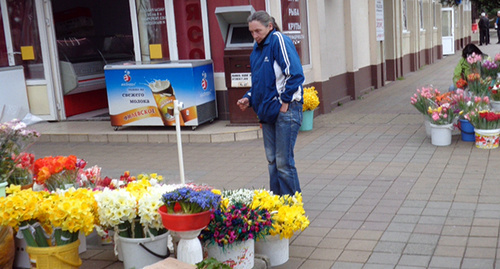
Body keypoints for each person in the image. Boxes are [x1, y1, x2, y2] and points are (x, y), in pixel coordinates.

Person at [237, 10, 304, 196]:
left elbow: (295, 74)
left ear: (270, 26)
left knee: (283, 162)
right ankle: (277, 203)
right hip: (267, 113)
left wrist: (285, 101)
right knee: (272, 161)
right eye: (251, 32)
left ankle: (292, 205)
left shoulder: (278, 40)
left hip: (286, 110)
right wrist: (249, 98)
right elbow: (260, 82)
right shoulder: (256, 49)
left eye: (258, 31)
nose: (255, 36)